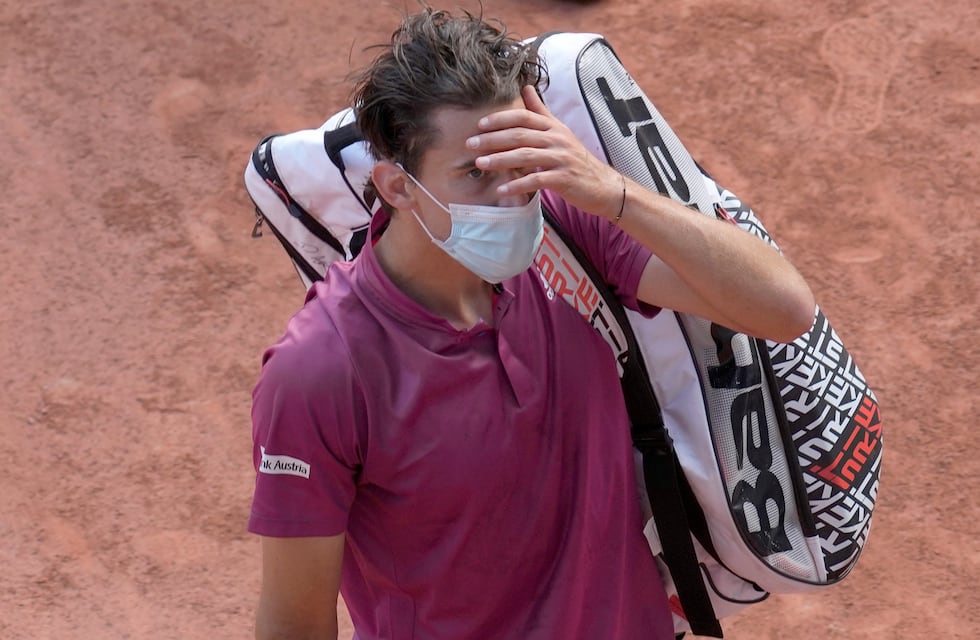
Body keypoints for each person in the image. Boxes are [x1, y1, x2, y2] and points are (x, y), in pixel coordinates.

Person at [247, 7, 815, 640]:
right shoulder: (321, 372)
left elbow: (784, 309)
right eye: (475, 173)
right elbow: (294, 623)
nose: (510, 196)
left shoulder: (572, 236)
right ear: (397, 187)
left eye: (520, 160)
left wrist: (613, 192)